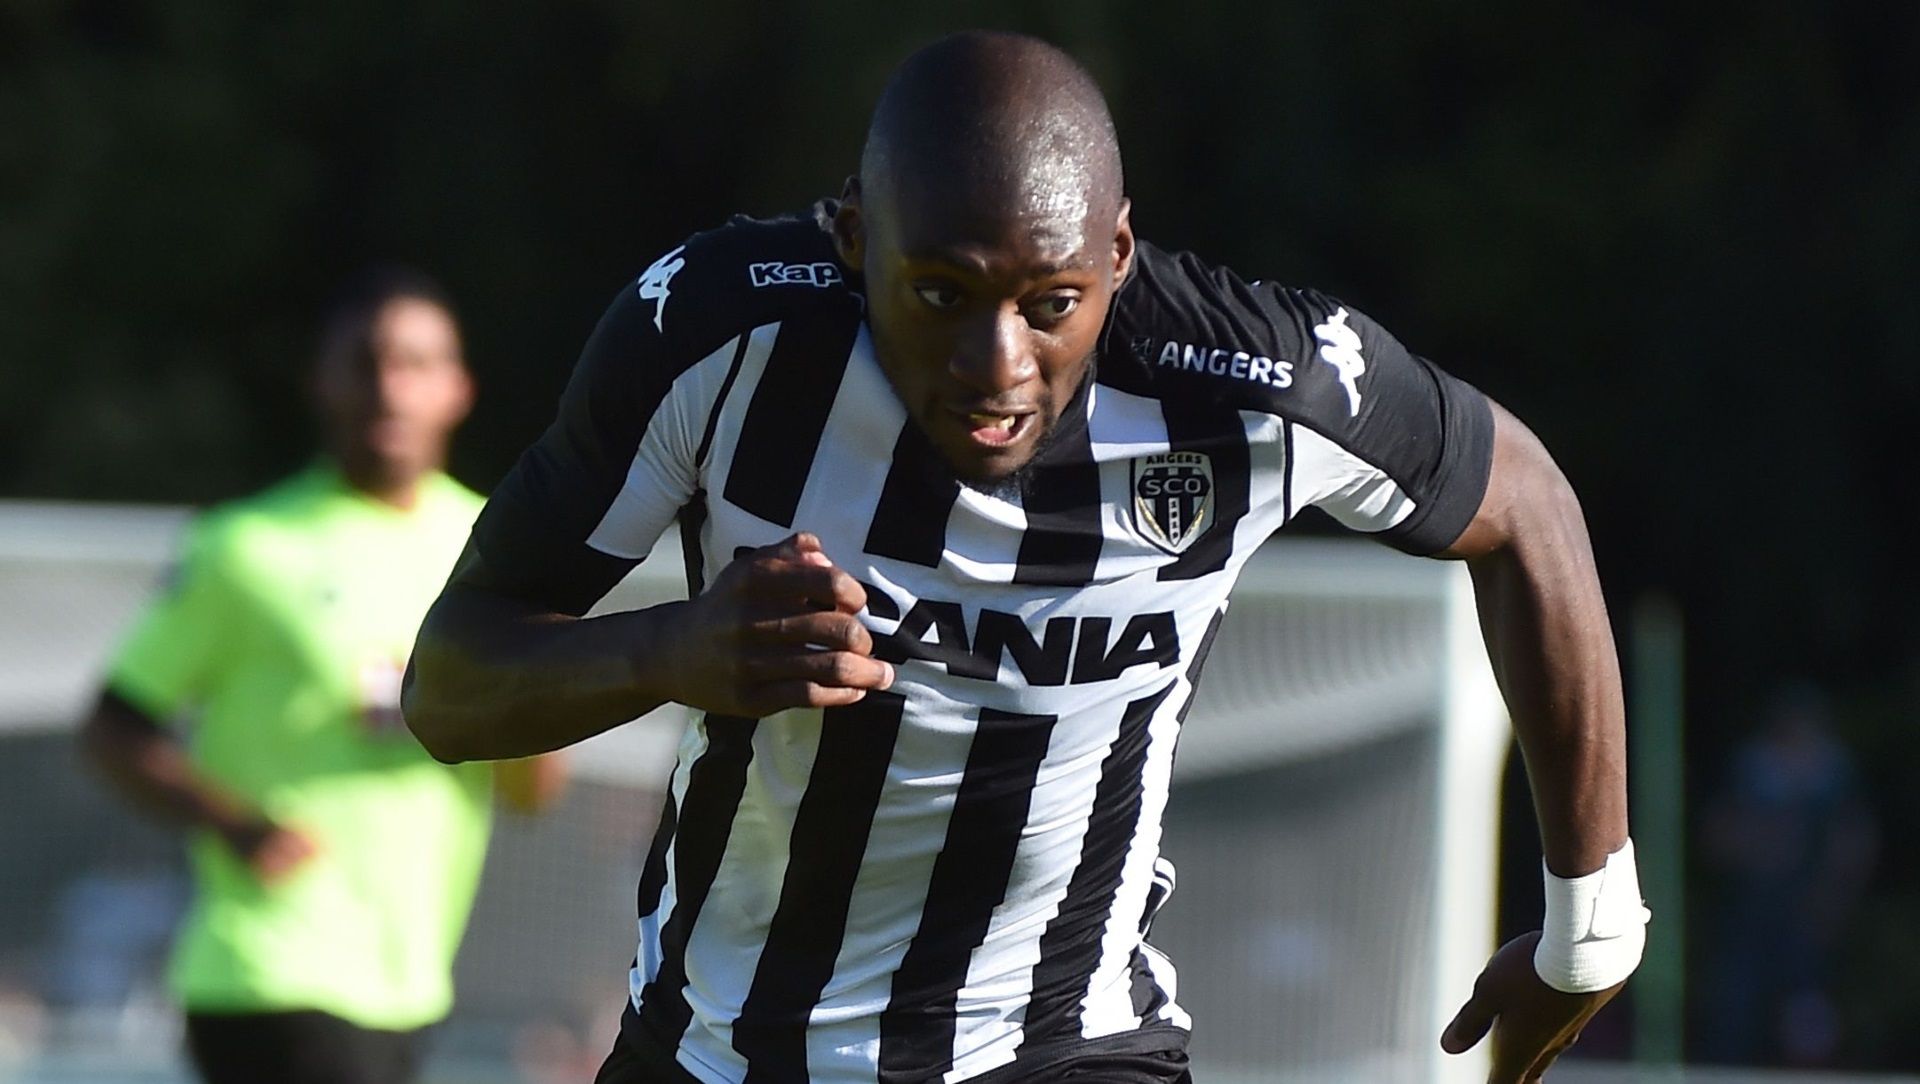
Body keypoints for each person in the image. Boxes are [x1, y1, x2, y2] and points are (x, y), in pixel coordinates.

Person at [404, 32, 1645, 1084]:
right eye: (940, 294)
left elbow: (1525, 507)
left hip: (1068, 1044)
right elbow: (448, 686)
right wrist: (668, 650)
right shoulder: (717, 339)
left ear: (1116, 255)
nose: (998, 369)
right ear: (852, 235)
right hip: (723, 1049)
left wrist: (1589, 927)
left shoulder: (1252, 386)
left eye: (1050, 303)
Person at [81, 268, 566, 1084]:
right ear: (322, 383)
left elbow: (532, 794)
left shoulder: (494, 552)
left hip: (406, 982)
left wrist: (510, 697)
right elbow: (113, 729)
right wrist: (239, 827)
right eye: (366, 362)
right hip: (272, 968)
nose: (389, 388)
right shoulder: (246, 548)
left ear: (458, 388)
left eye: (414, 364)